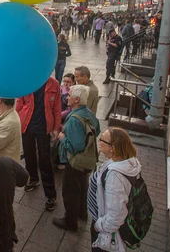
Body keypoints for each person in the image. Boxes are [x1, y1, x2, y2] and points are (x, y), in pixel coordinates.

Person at [53, 85, 100, 232]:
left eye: (70, 95)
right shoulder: (89, 113)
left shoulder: (74, 119)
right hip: (87, 161)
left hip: (75, 162)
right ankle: (82, 213)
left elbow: (76, 146)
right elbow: (96, 130)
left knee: (70, 191)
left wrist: (62, 138)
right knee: (82, 187)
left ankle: (70, 221)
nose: (67, 97)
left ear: (77, 99)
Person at [89, 128, 141, 251]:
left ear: (113, 148)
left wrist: (98, 226)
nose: (99, 141)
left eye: (102, 140)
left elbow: (117, 215)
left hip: (106, 233)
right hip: (103, 219)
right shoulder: (121, 160)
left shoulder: (115, 177)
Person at [16, 77, 61, 211]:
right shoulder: (27, 80)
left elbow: (57, 107)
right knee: (29, 155)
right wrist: (17, 122)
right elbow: (19, 103)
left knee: (45, 160)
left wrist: (56, 128)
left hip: (44, 128)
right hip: (27, 125)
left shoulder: (54, 84)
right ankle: (33, 178)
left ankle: (51, 195)